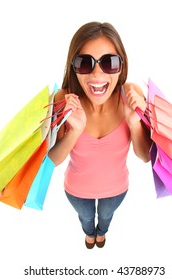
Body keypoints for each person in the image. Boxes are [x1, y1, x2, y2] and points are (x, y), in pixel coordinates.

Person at [48, 21, 151, 249]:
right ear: (73, 66)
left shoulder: (131, 94)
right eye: (85, 63)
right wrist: (75, 130)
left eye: (109, 62)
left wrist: (134, 123)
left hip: (117, 189)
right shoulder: (64, 99)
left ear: (121, 66)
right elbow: (51, 161)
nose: (97, 74)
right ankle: (89, 233)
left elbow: (145, 156)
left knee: (105, 218)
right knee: (86, 219)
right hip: (76, 190)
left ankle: (101, 232)